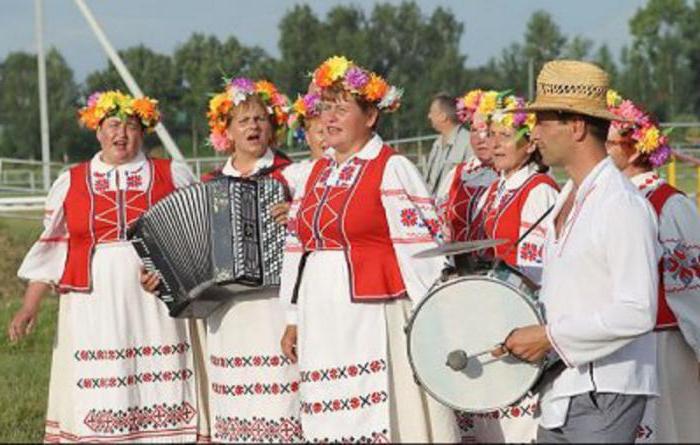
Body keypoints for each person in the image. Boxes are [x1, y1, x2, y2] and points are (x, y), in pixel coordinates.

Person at [8, 91, 206, 443]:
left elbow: (197, 236)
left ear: (143, 132)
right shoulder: (72, 181)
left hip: (157, 301)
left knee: (161, 377)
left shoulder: (170, 174)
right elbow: (53, 250)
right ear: (97, 131)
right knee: (103, 380)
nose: (122, 133)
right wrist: (29, 305)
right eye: (113, 125)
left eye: (131, 125)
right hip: (94, 303)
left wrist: (173, 274)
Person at [279, 55, 459, 443]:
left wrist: (431, 320)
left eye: (342, 109)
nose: (329, 118)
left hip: (371, 314)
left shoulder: (390, 168)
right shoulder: (316, 172)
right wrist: (292, 315)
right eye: (326, 108)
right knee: (329, 413)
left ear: (371, 116)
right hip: (320, 313)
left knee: (377, 411)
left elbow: (423, 253)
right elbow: (299, 247)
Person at [495, 60, 660, 443]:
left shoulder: (621, 205)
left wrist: (550, 337)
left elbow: (638, 310)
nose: (533, 134)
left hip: (605, 388)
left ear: (577, 126)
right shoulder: (569, 195)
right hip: (564, 387)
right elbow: (580, 282)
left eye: (543, 121)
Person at [197, 77, 304, 443]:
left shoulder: (291, 174)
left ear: (272, 127)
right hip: (227, 312)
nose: (253, 126)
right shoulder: (210, 183)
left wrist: (296, 212)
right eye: (243, 120)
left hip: (277, 306)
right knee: (236, 402)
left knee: (283, 398)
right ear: (226, 130)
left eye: (260, 119)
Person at [458, 93, 559, 443]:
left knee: (519, 420)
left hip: (519, 311)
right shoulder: (493, 190)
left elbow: (539, 268)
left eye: (505, 136)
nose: (493, 143)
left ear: (530, 144)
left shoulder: (539, 190)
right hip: (490, 307)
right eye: (491, 134)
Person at [606, 90, 700, 444]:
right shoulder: (615, 198)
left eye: (611, 143)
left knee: (671, 429)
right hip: (625, 341)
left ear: (635, 149)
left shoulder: (669, 204)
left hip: (666, 342)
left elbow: (691, 285)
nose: (604, 150)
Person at [436, 90, 498, 245]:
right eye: (474, 130)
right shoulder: (458, 174)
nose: (479, 139)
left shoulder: (515, 175)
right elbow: (437, 217)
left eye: (486, 130)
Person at [425, 92, 473, 194]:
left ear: (443, 116)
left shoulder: (468, 142)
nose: (429, 116)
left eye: (432, 112)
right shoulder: (436, 145)